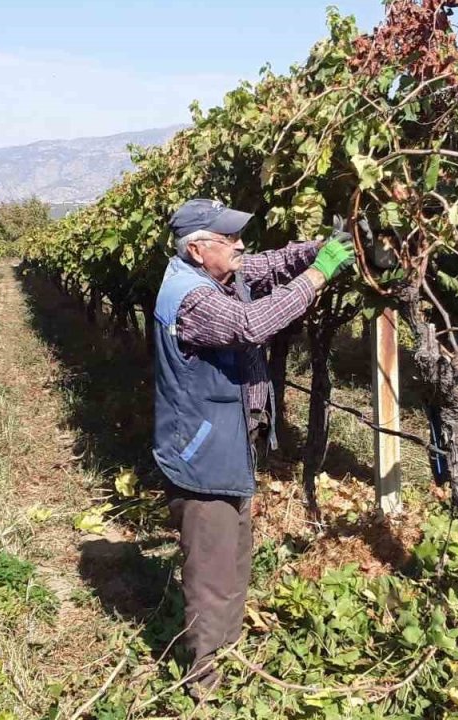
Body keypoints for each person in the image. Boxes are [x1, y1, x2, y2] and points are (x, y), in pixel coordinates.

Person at [151, 198, 355, 695]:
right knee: (211, 565)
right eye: (228, 239)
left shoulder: (223, 273)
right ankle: (203, 675)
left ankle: (227, 646)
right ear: (198, 250)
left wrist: (327, 246)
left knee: (235, 552)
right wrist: (320, 275)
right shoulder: (191, 297)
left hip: (226, 441)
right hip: (202, 450)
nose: (241, 245)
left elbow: (271, 263)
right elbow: (252, 326)